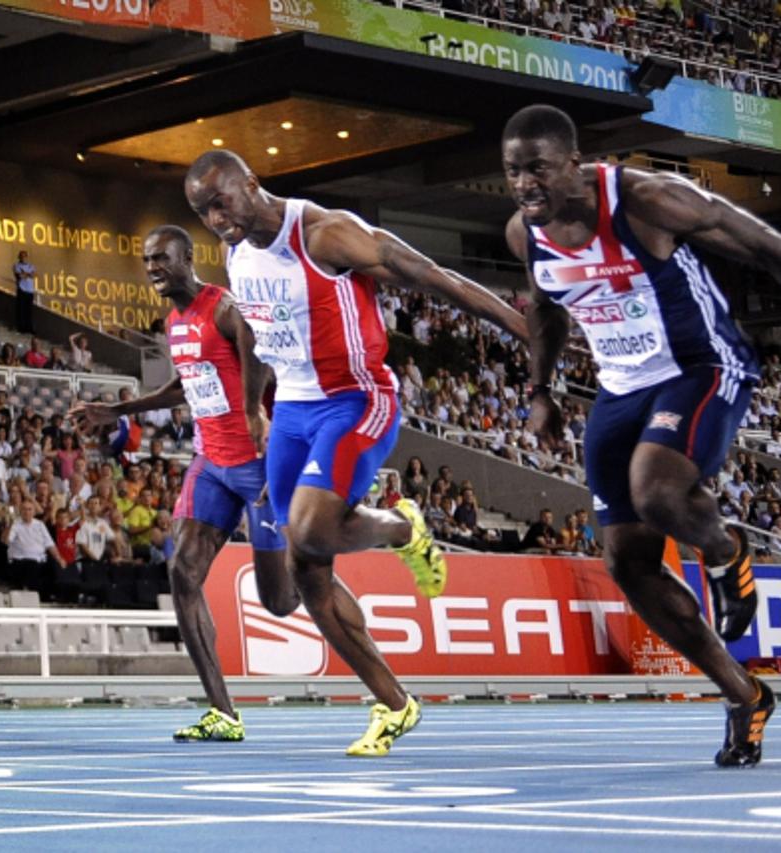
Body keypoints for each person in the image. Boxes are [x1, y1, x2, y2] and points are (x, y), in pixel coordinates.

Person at [185, 149, 527, 757]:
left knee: (312, 531)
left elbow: (431, 275)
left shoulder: (324, 234)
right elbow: (260, 336)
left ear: (252, 184)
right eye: (202, 211)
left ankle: (400, 527)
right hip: (290, 410)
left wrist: (523, 329)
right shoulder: (235, 253)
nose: (214, 217)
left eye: (220, 201)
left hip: (355, 400)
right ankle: (394, 704)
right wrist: (252, 412)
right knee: (304, 568)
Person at [502, 104, 781, 766]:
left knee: (656, 492)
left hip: (701, 365)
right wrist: (539, 393)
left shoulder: (646, 198)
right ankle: (745, 694)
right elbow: (544, 311)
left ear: (574, 163)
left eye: (537, 169)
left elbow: (764, 242)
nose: (524, 185)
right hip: (621, 387)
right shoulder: (526, 233)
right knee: (626, 561)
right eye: (513, 171)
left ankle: (724, 550)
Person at [71, 224, 297, 742]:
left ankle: (317, 558)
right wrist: (119, 409)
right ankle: (222, 712)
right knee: (182, 570)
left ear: (188, 258)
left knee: (282, 600)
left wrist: (262, 423)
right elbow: (186, 384)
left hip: (258, 465)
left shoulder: (224, 307)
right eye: (147, 260)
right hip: (210, 463)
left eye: (161, 258)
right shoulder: (174, 322)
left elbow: (261, 359)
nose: (152, 267)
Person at [13, 250, 36, 334]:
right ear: (19, 257)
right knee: (21, 310)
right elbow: (19, 276)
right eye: (21, 256)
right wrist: (28, 274)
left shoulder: (31, 266)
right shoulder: (16, 265)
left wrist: (25, 274)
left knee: (29, 311)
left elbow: (33, 275)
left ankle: (29, 327)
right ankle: (21, 327)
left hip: (30, 291)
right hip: (21, 290)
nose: (23, 258)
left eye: (24, 256)